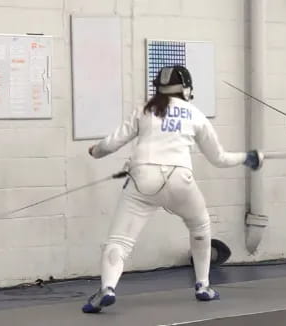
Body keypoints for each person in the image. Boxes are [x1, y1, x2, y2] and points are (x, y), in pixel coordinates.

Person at [82, 66, 262, 313]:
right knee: (200, 225)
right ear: (187, 89)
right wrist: (248, 158)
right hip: (180, 179)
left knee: (120, 241)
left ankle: (108, 288)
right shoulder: (195, 114)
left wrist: (95, 151)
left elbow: (111, 143)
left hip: (142, 180)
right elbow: (219, 158)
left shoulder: (145, 109)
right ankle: (203, 286)